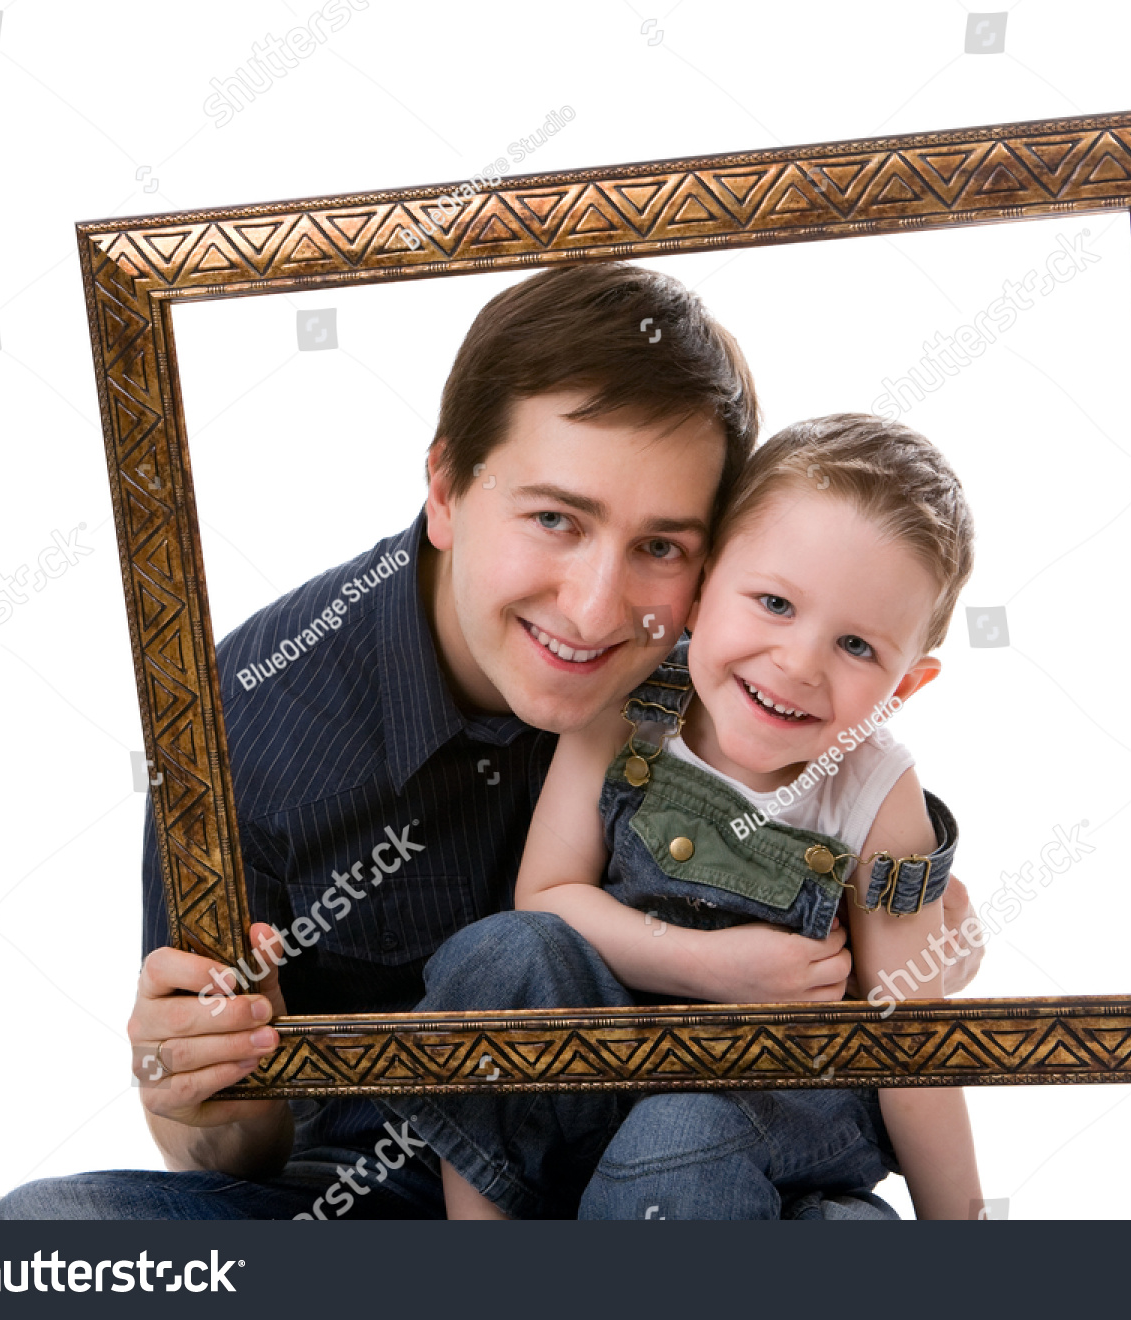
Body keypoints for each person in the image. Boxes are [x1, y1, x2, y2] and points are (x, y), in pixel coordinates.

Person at [0, 265, 982, 1221]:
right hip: (394, 1189)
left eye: (662, 547)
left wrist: (917, 935)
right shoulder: (249, 717)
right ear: (448, 487)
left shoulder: (738, 649)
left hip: (704, 1168)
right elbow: (238, 1157)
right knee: (46, 1232)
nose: (595, 610)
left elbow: (888, 919)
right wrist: (193, 1086)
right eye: (555, 518)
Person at [416, 413, 983, 1220]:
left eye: (857, 647)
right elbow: (545, 896)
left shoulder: (874, 791)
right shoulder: (628, 708)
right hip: (615, 1068)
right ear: (703, 587)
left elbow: (908, 1043)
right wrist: (716, 969)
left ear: (904, 688)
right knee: (501, 957)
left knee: (680, 1135)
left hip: (784, 1104)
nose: (798, 663)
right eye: (774, 603)